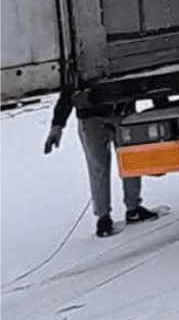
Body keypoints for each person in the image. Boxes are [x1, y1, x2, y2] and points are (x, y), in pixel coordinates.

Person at [45, 89, 158, 238]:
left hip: (100, 113)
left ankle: (108, 217)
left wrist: (57, 125)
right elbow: (68, 88)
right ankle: (126, 210)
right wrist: (57, 125)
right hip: (114, 110)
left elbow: (68, 88)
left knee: (106, 164)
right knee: (124, 159)